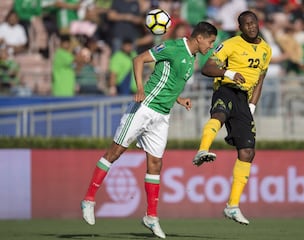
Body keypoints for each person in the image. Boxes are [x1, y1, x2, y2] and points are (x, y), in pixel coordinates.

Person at [80, 21, 217, 239]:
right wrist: (141, 89)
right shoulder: (172, 47)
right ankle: (88, 199)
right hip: (144, 107)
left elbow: (169, 82)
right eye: (210, 42)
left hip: (162, 115)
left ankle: (151, 217)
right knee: (114, 153)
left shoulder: (193, 58)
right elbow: (139, 59)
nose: (210, 46)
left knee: (156, 164)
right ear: (199, 37)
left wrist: (179, 99)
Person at [192, 11, 272, 225]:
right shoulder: (230, 44)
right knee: (219, 114)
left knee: (247, 151)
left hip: (244, 100)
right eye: (246, 24)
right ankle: (202, 150)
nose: (251, 27)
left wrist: (252, 107)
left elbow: (260, 80)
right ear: (240, 28)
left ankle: (232, 206)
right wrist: (228, 73)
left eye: (253, 22)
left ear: (258, 23)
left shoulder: (266, 50)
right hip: (226, 89)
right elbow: (206, 67)